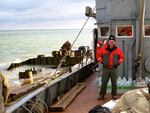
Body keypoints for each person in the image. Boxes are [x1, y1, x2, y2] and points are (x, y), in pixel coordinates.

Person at [96, 35, 124, 100]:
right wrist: (102, 62)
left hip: (114, 69)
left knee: (114, 83)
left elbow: (122, 57)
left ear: (114, 42)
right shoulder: (103, 49)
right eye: (110, 41)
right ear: (108, 42)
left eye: (112, 41)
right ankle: (101, 95)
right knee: (104, 82)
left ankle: (114, 95)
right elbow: (98, 55)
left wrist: (118, 63)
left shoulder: (118, 50)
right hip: (106, 69)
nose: (111, 42)